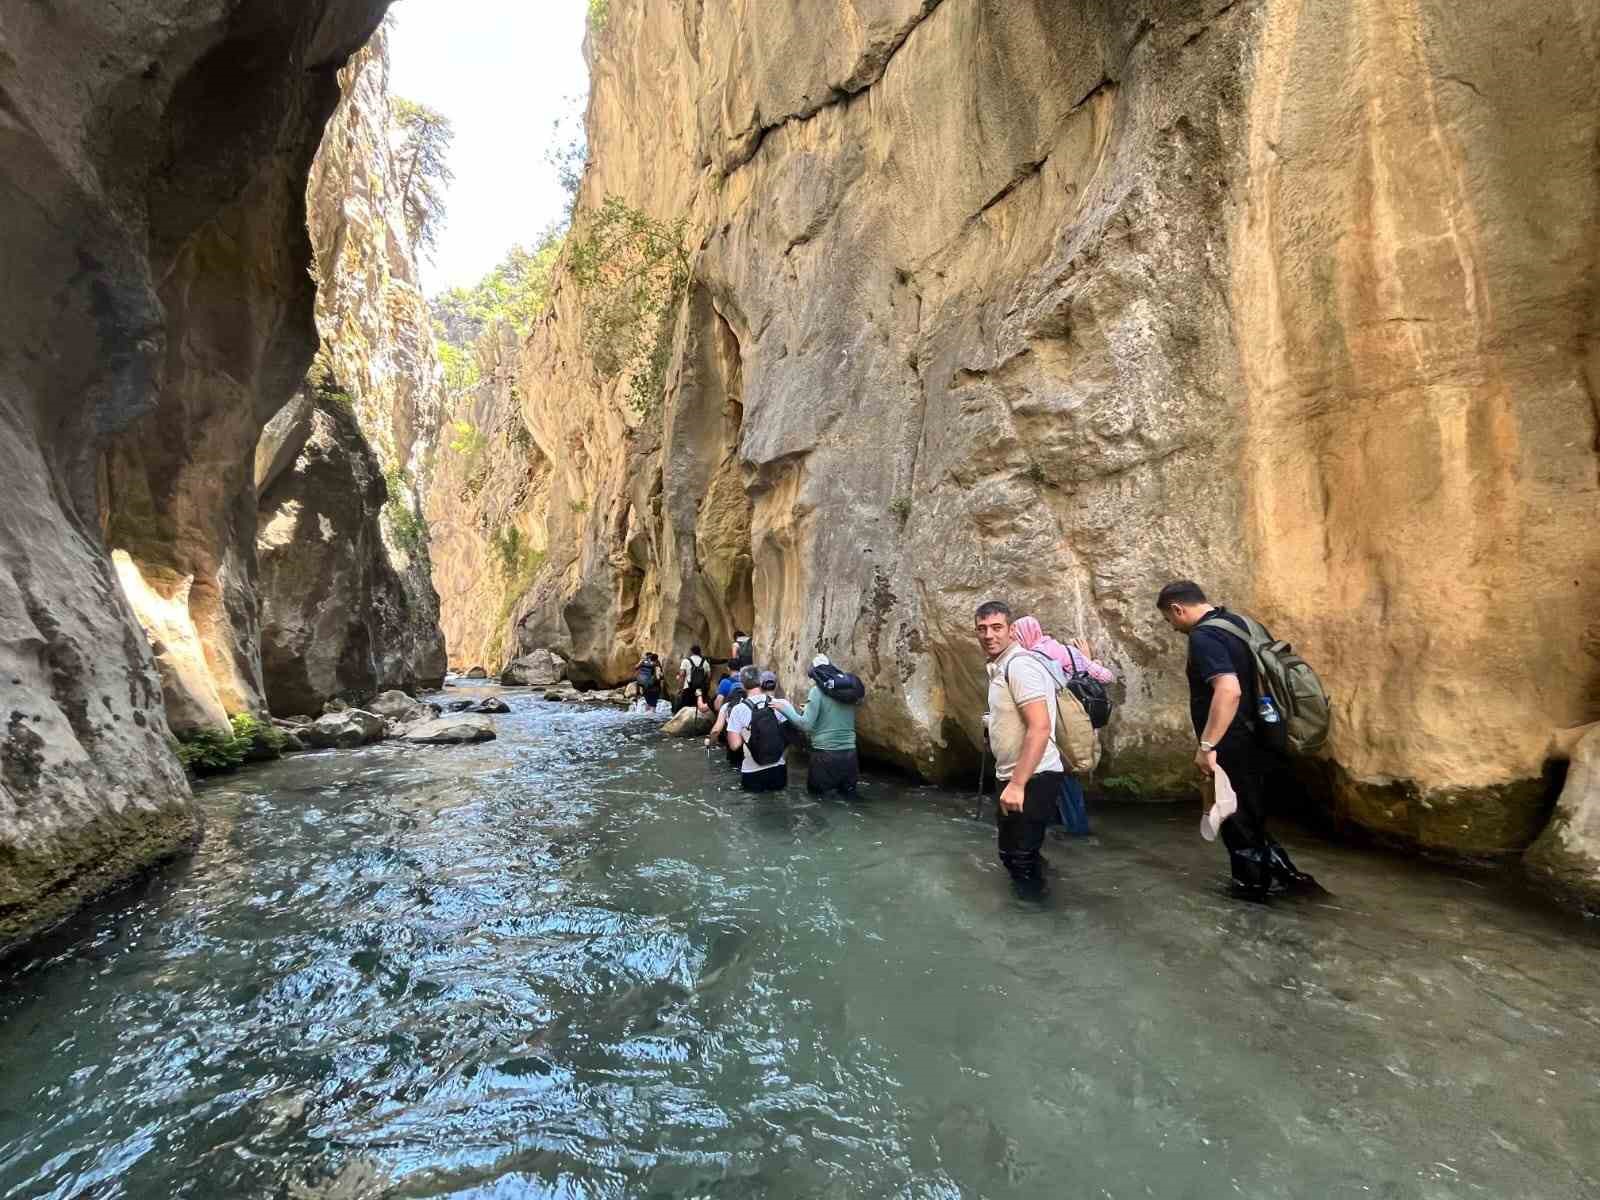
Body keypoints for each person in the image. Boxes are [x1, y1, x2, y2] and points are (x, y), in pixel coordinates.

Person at [1155, 580, 1315, 899]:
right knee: (1252, 817)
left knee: (1236, 821)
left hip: (1234, 743)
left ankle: (1252, 895)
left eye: (1168, 619)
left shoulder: (1204, 636)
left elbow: (1229, 690)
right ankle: (1297, 886)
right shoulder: (1240, 623)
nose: (1172, 627)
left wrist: (1207, 746)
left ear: (1177, 609)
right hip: (1264, 734)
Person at [975, 600, 1064, 897]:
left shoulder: (1020, 665)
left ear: (1011, 630)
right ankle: (1044, 894)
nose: (989, 635)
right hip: (1021, 776)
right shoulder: (1002, 666)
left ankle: (1039, 920)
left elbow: (1039, 727)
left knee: (1018, 858)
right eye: (982, 629)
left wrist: (1017, 784)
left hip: (1031, 777)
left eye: (997, 627)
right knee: (1018, 854)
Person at [1014, 616, 1114, 837]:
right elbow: (1107, 677)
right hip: (1079, 722)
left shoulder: (1031, 659)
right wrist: (1089, 662)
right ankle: (1070, 828)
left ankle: (1072, 831)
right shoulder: (1069, 652)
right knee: (1069, 773)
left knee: (1057, 773)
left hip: (1055, 725)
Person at [772, 654, 859, 796]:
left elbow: (805, 724)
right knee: (849, 797)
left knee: (820, 801)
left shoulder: (817, 692)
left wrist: (784, 708)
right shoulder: (848, 691)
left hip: (826, 757)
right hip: (850, 756)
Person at [723, 666, 790, 792]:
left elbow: (734, 745)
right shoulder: (781, 704)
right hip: (778, 767)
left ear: (742, 685)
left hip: (752, 771)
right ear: (761, 681)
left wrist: (747, 732)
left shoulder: (738, 710)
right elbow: (789, 735)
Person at [677, 644, 711, 712]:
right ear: (699, 652)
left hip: (688, 688)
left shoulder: (686, 661)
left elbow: (682, 675)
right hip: (700, 690)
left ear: (691, 652)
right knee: (699, 710)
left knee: (685, 710)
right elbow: (709, 676)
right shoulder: (705, 662)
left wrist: (680, 688)